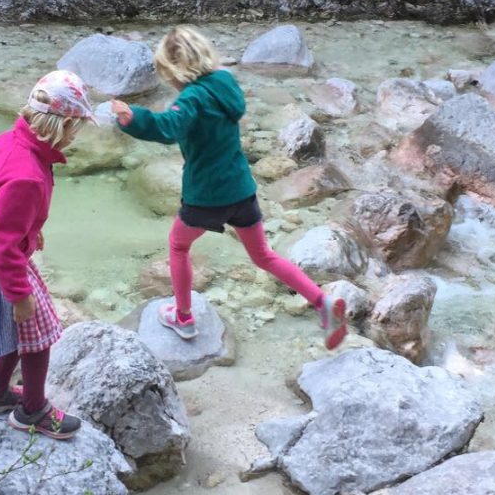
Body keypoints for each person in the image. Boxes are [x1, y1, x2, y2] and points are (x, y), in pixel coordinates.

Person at [110, 26, 347, 350]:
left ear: (176, 71)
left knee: (178, 247)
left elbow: (167, 128)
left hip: (206, 196)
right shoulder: (224, 83)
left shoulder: (191, 99)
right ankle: (322, 302)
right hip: (241, 191)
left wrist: (131, 117)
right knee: (264, 255)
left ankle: (183, 318)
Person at [0, 70, 94, 440]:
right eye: (76, 128)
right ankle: (33, 410)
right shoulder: (28, 175)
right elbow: (2, 240)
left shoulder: (10, 141)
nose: (75, 137)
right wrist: (19, 296)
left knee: (20, 335)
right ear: (63, 123)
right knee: (40, 334)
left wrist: (33, 229)